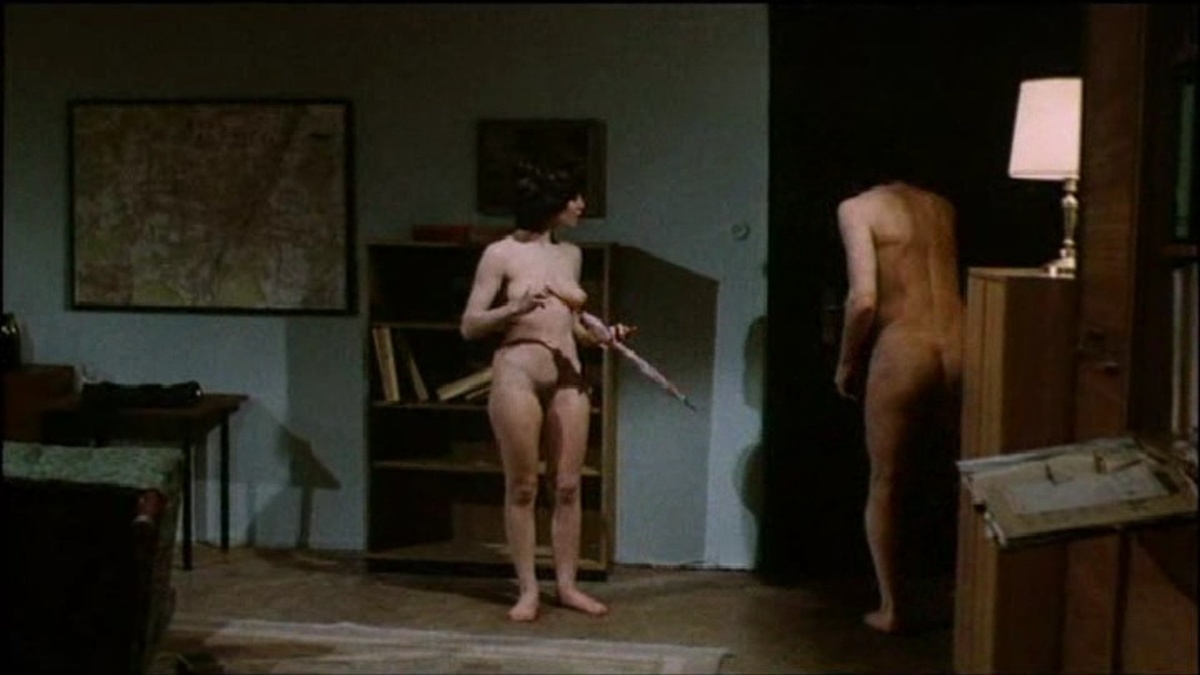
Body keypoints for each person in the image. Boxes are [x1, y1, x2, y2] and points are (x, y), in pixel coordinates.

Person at [460, 162, 628, 622]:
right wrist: (512, 309)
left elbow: (572, 326)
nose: (581, 205)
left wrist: (602, 335)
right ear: (551, 204)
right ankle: (528, 590)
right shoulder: (500, 254)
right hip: (518, 373)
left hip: (568, 374)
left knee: (568, 485)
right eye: (574, 197)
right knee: (523, 486)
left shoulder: (570, 255)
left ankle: (568, 586)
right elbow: (470, 324)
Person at [833, 180, 964, 634]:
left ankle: (893, 607)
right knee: (966, 476)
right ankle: (970, 589)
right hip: (962, 340)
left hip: (905, 345)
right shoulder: (940, 206)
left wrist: (846, 360)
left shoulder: (857, 208)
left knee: (886, 481)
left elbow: (863, 299)